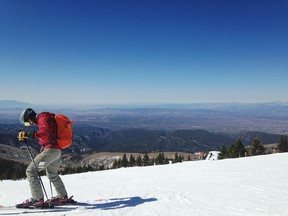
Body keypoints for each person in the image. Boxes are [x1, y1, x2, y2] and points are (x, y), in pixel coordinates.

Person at [16, 108, 70, 208]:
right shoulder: (47, 118)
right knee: (52, 175)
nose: (30, 124)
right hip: (56, 151)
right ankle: (63, 197)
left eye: (28, 123)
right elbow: (49, 134)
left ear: (30, 118)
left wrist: (29, 135)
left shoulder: (43, 119)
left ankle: (37, 199)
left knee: (31, 171)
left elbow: (45, 132)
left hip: (50, 151)